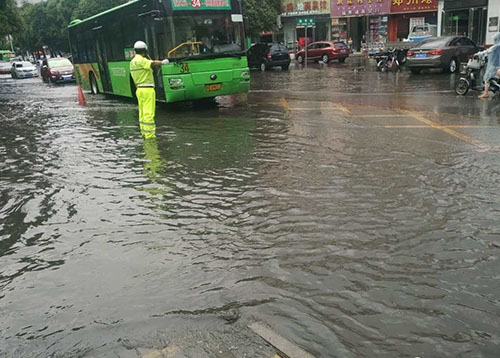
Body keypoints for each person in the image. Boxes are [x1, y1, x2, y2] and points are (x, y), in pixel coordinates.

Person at [130, 41, 169, 138]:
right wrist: (163, 62)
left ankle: (144, 132)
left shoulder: (132, 62)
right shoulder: (141, 60)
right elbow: (152, 63)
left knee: (142, 113)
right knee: (149, 113)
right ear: (144, 51)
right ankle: (150, 136)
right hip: (147, 89)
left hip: (139, 90)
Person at [479, 33, 500, 99]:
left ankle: (486, 93)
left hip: (493, 66)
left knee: (487, 79)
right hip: (497, 66)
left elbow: (487, 51)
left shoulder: (495, 47)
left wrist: (479, 54)